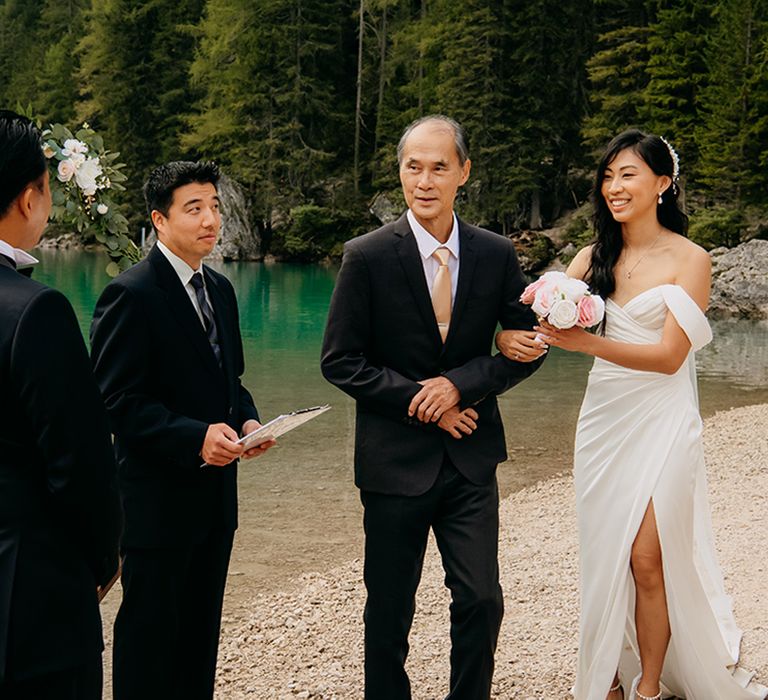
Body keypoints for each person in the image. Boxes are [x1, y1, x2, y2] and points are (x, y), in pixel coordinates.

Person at [498, 129, 767, 700]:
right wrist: (509, 336)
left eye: (628, 174)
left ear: (662, 184)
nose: (614, 187)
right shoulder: (591, 257)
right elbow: (545, 324)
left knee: (648, 557)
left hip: (665, 418)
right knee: (608, 556)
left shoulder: (691, 259)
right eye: (608, 175)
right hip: (605, 419)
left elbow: (671, 358)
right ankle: (609, 677)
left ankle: (648, 686)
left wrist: (585, 345)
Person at [321, 115, 545, 700]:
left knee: (481, 598)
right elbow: (341, 361)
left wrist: (464, 384)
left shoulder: (495, 253)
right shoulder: (365, 256)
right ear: (400, 172)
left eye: (439, 167)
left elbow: (529, 345)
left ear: (463, 172)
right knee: (390, 610)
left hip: (470, 459)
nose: (424, 180)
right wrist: (428, 402)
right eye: (412, 166)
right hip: (394, 463)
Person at [90, 160, 274, 700]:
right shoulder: (131, 294)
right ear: (159, 220)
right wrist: (194, 436)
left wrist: (249, 419)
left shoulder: (218, 288)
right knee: (149, 641)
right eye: (194, 208)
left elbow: (230, 380)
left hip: (216, 502)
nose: (210, 219)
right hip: (155, 503)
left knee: (199, 640)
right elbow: (113, 403)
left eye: (214, 206)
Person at [0, 109, 121, 699]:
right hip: (29, 603)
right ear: (30, 199)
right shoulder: (34, 311)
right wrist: (101, 561)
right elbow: (82, 464)